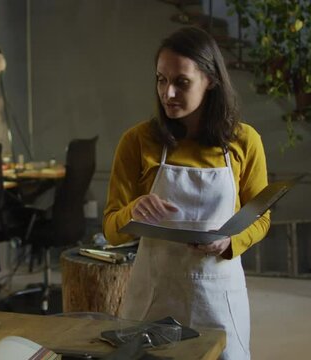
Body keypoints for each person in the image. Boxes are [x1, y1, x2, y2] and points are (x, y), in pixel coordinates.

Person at [103, 26, 270, 360]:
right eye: (161, 80)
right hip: (153, 293)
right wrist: (133, 210)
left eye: (182, 82)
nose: (168, 93)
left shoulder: (244, 141)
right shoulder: (137, 141)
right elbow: (110, 228)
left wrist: (229, 242)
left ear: (211, 81)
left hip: (219, 292)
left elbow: (261, 216)